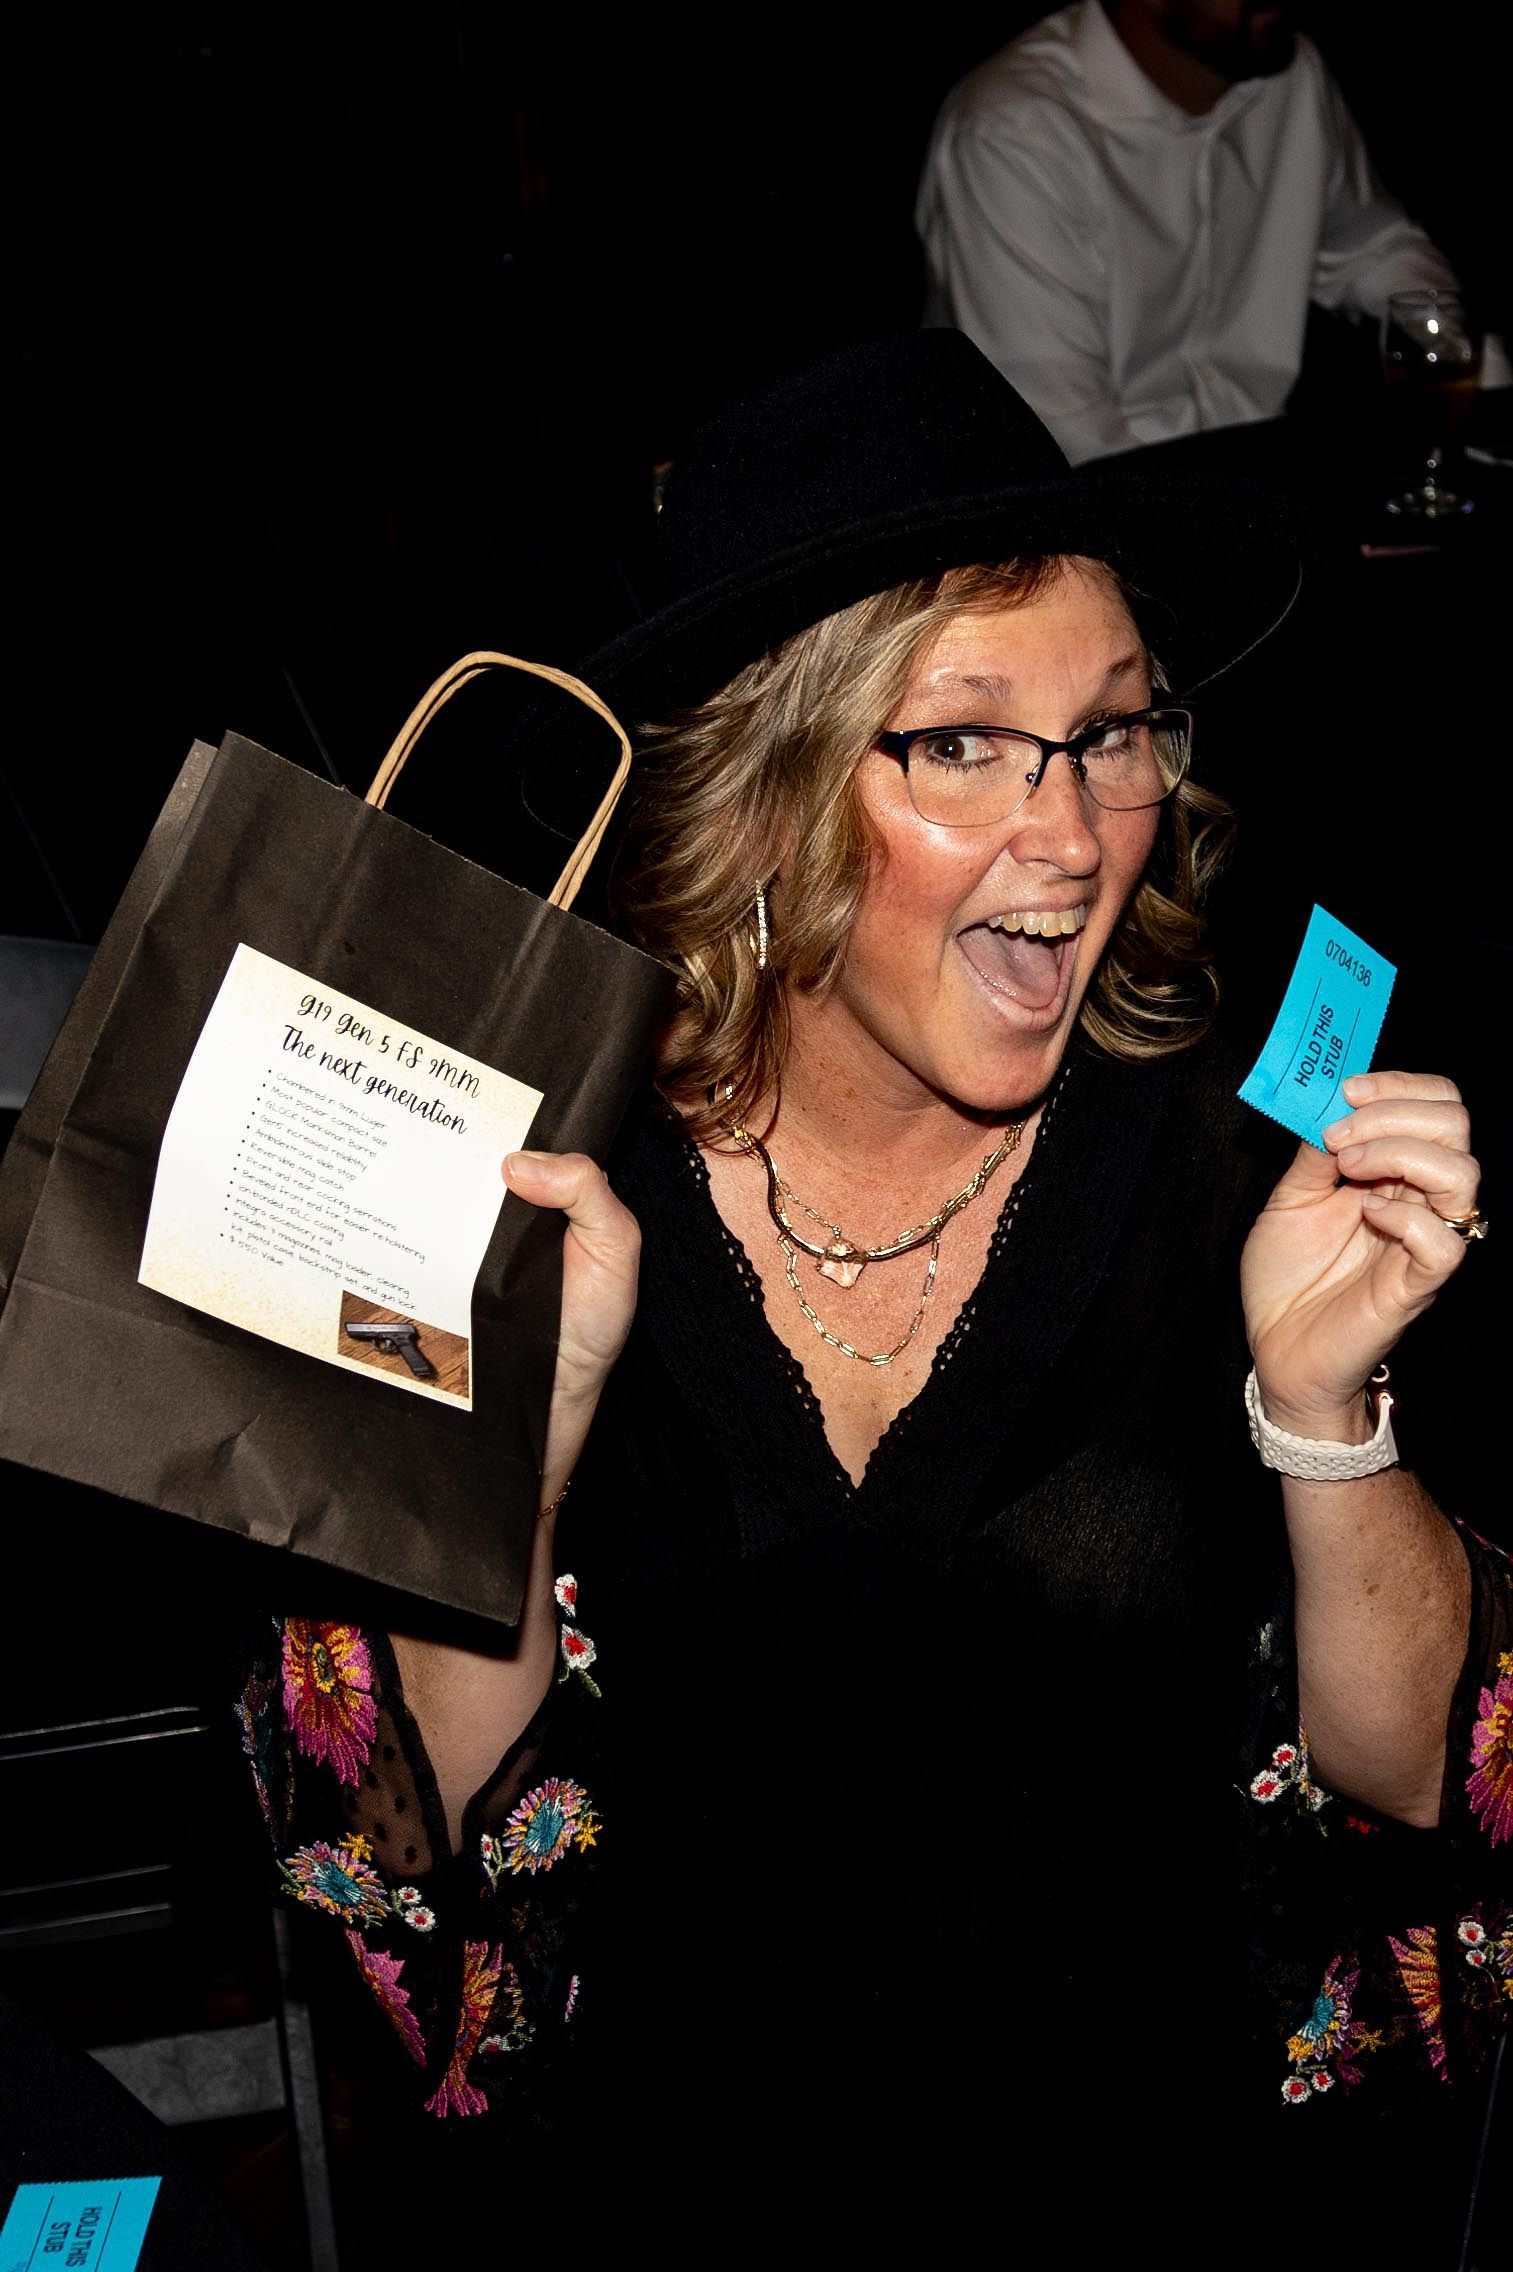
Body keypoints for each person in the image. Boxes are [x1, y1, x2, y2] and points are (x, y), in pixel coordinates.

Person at [240, 332, 1509, 2255]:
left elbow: (1429, 1791)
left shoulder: (1252, 1157)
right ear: (765, 789)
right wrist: (515, 1445)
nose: (1071, 831)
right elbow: (410, 1877)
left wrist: (1320, 1421)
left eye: (1109, 729)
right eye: (962, 742)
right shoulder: (535, 1186)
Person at [917, 1, 1510, 463]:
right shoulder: (1014, 133)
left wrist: (1471, 378)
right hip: (1073, 529)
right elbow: (1064, 438)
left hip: (1255, 480)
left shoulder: (1291, 77)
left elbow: (1375, 251)